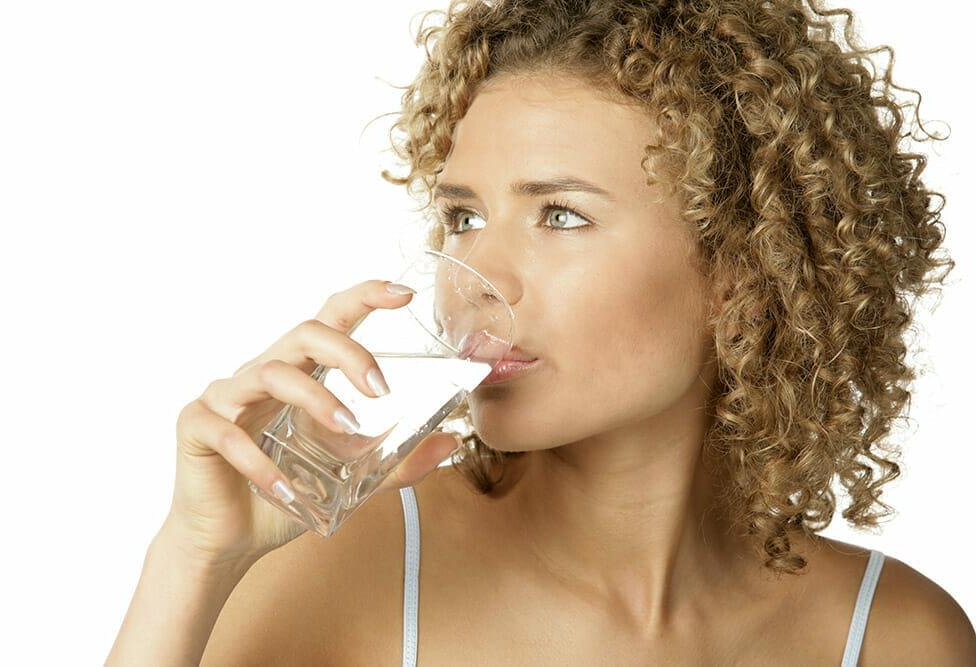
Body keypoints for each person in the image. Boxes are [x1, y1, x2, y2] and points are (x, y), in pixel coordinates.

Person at [107, 0, 976, 664]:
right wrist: (193, 559)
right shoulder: (348, 575)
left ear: (748, 273)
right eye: (462, 216)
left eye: (559, 214)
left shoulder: (894, 637)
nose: (476, 278)